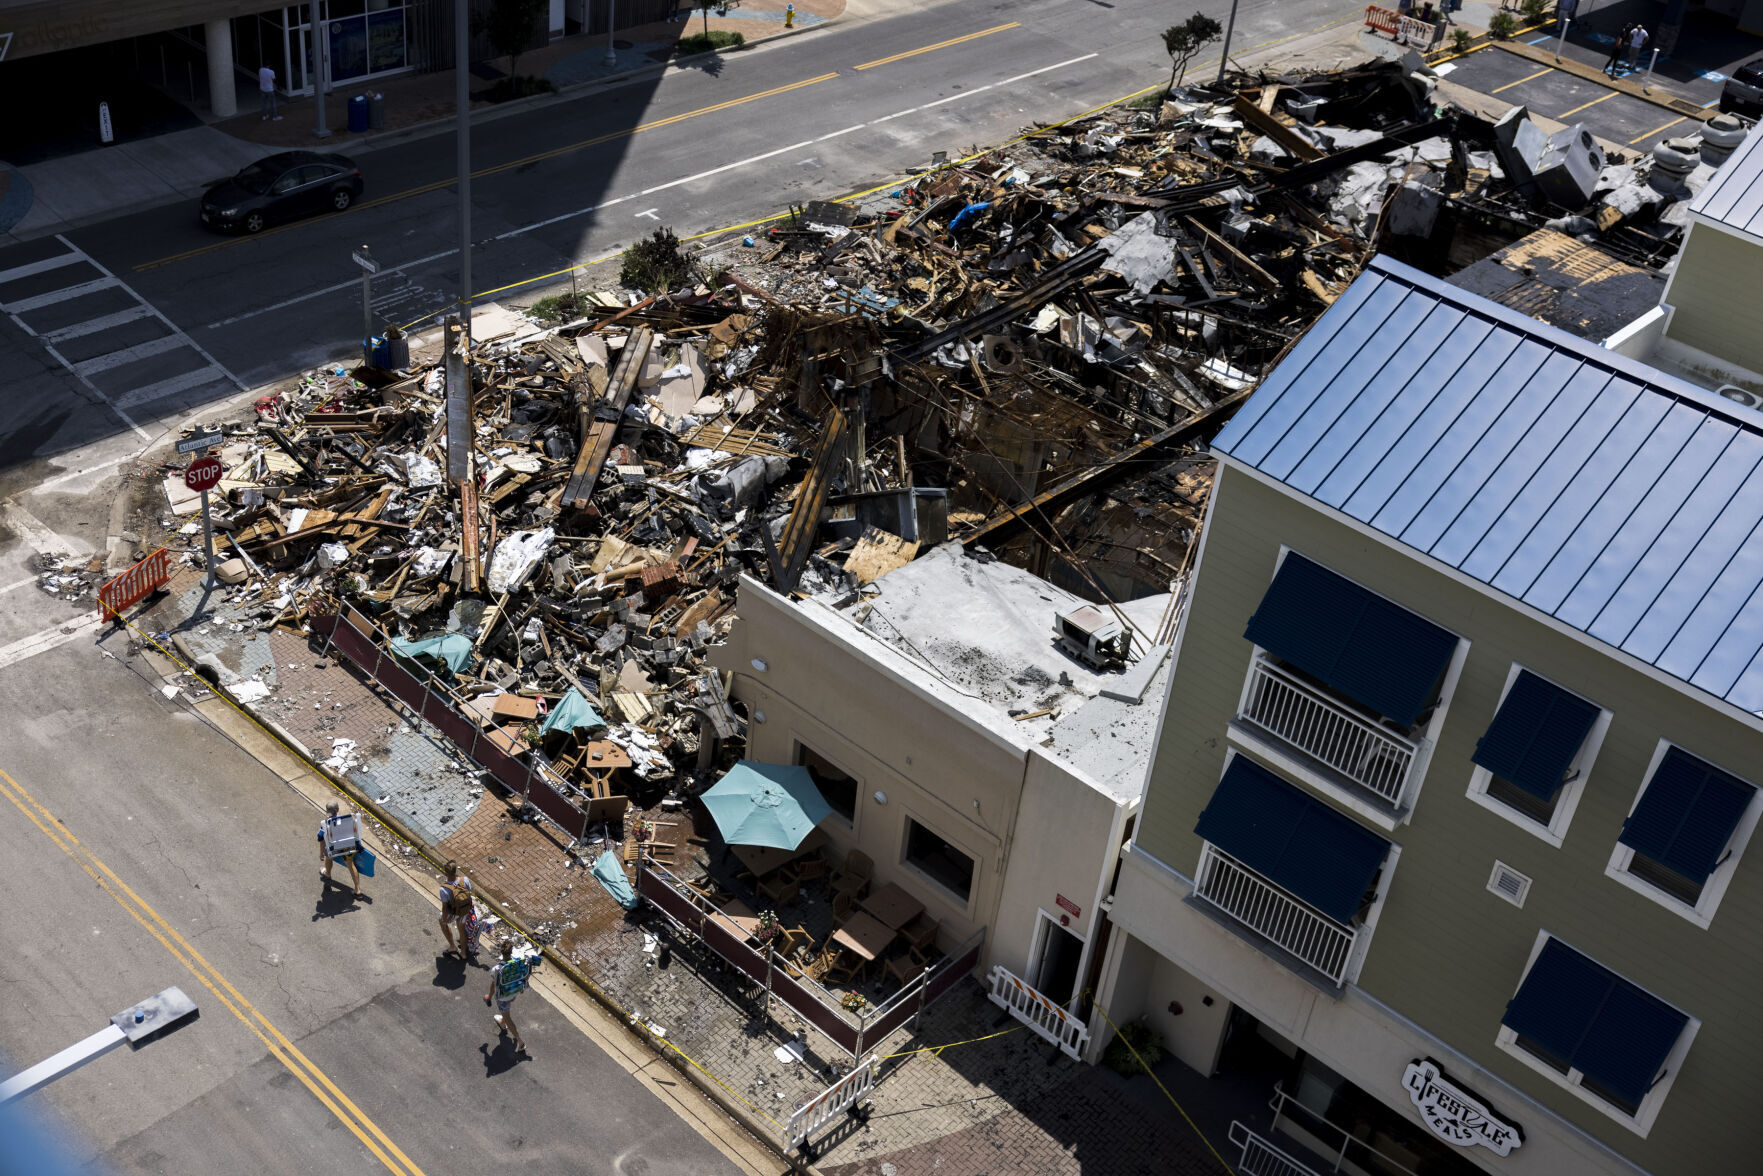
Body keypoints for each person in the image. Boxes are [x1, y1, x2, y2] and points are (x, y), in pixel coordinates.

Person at [484, 941, 532, 1052]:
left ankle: (520, 1042)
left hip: (502, 997)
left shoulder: (496, 969)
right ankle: (502, 1021)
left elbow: (493, 987)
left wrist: (489, 997)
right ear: (511, 951)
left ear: (501, 952)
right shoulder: (516, 963)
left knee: (508, 1017)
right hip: (513, 992)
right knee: (506, 1010)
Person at [318, 801, 363, 897]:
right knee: (350, 864)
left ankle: (327, 874)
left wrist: (321, 853)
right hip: (348, 846)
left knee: (328, 855)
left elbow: (322, 841)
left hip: (335, 848)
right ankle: (358, 889)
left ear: (327, 811)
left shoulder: (326, 824)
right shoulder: (348, 820)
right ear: (337, 810)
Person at [440, 861, 475, 960]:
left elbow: (445, 907)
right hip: (465, 909)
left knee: (442, 923)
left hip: (454, 911)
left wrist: (444, 919)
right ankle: (463, 953)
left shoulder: (444, 889)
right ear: (456, 871)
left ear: (445, 873)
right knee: (461, 929)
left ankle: (452, 946)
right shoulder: (465, 880)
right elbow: (469, 894)